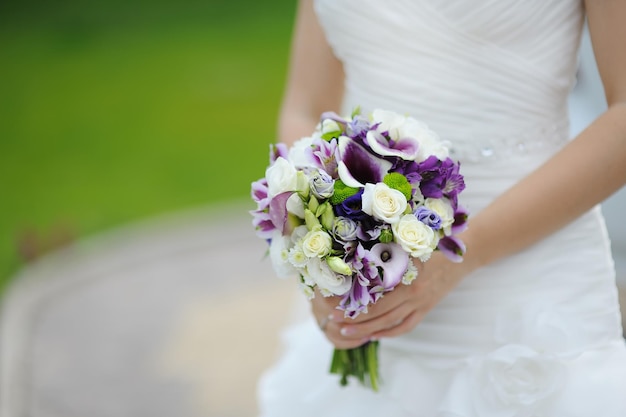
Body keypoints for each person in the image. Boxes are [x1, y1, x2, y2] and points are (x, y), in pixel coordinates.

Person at [257, 1, 626, 416]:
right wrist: (321, 252)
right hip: (377, 292)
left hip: (530, 272)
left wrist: (462, 254)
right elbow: (305, 109)